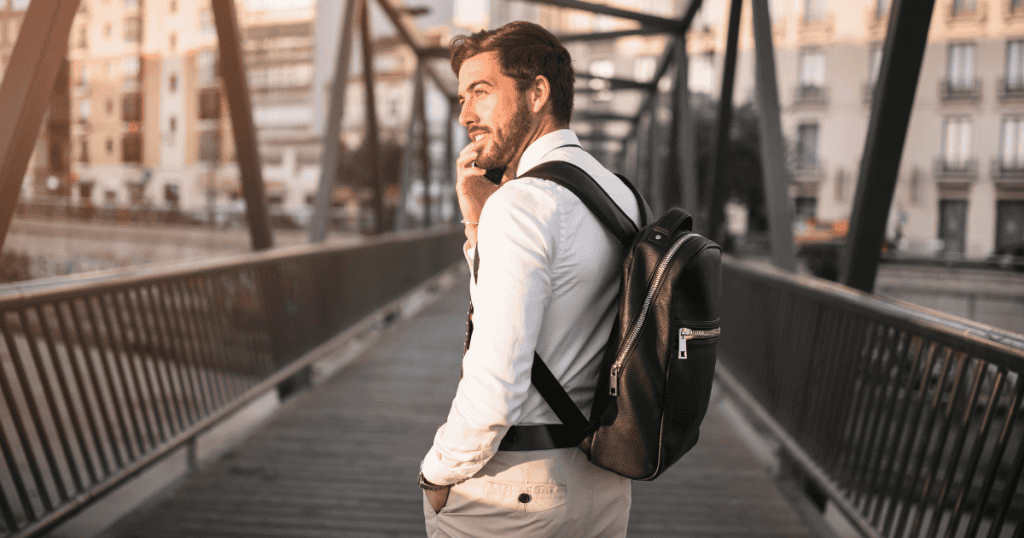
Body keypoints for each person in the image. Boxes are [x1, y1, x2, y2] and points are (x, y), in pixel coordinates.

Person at [418, 21, 640, 537]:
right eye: (460, 98)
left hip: (515, 496)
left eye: (481, 91)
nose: (465, 115)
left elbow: (495, 380)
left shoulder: (522, 204)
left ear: (537, 92)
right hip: (601, 483)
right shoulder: (621, 194)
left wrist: (438, 472)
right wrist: (477, 223)